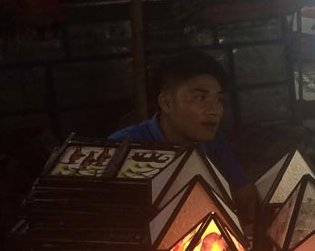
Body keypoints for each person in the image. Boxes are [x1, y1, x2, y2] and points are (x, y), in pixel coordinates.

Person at [109, 50, 257, 221]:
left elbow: (246, 196)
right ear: (166, 103)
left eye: (218, 99)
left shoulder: (214, 143)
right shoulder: (124, 146)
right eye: (201, 97)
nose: (214, 110)